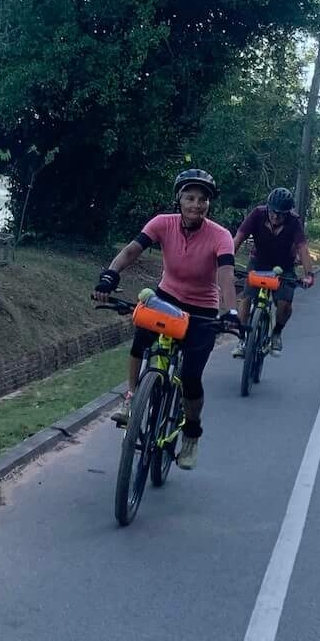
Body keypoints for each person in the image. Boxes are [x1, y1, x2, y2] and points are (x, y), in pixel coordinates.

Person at [92, 169, 240, 470]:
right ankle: (132, 397)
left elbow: (225, 274)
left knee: (190, 379)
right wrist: (110, 275)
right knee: (140, 344)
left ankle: (191, 435)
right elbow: (132, 250)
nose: (196, 205)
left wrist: (232, 312)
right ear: (179, 199)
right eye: (190, 198)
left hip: (202, 309)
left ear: (209, 204)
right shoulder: (162, 223)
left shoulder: (221, 236)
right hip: (166, 298)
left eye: (202, 200)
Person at [231, 187, 315, 356]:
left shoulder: (294, 222)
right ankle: (242, 340)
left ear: (288, 212)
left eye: (281, 213)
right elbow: (238, 238)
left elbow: (303, 249)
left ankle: (276, 333)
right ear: (268, 207)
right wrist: (226, 261)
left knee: (284, 304)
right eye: (273, 212)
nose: (276, 216)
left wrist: (308, 274)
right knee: (246, 299)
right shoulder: (257, 214)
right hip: (258, 262)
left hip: (284, 266)